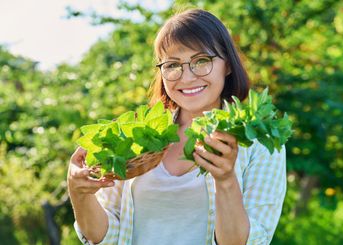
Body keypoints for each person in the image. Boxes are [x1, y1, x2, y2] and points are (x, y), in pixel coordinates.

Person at [68, 8, 286, 245]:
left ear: (228, 65)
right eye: (172, 65)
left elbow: (250, 241)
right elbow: (105, 237)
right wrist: (79, 194)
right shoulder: (138, 135)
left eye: (201, 61)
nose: (187, 76)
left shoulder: (258, 143)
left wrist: (226, 181)